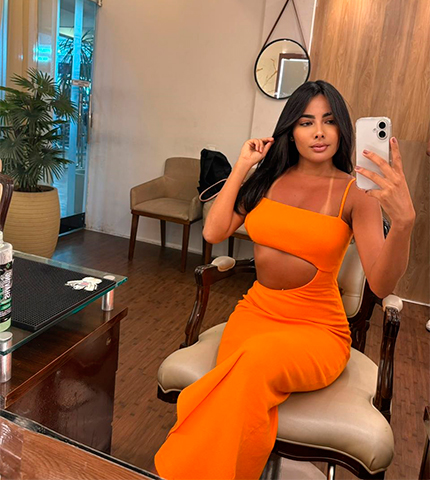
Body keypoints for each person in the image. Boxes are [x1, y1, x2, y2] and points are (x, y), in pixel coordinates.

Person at [154, 80, 416, 480]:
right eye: (306, 122)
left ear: (342, 129)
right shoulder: (267, 179)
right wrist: (242, 166)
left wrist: (403, 223)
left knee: (250, 367)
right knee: (245, 376)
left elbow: (380, 284)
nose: (318, 132)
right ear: (290, 130)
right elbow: (213, 231)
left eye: (329, 121)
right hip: (255, 314)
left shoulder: (356, 193)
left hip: (317, 329)